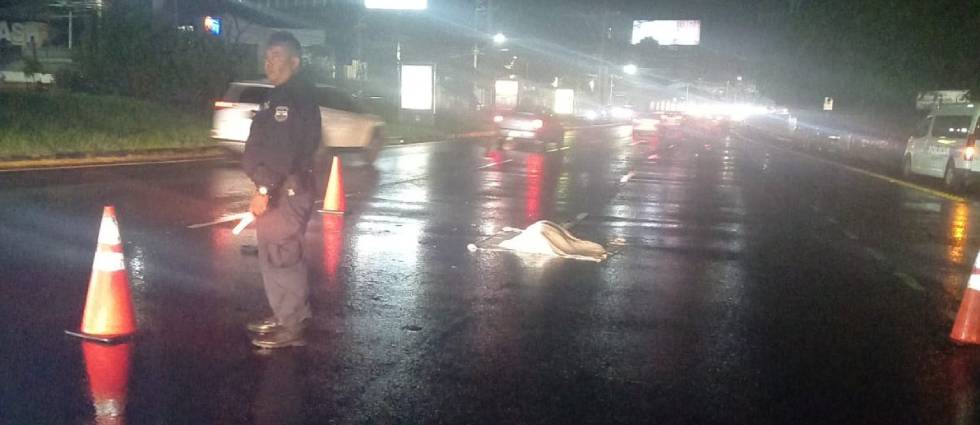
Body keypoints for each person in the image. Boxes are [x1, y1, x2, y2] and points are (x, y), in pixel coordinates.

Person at [243, 31, 321, 349]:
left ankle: (291, 326)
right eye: (267, 56)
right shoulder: (282, 95)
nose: (268, 62)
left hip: (284, 191)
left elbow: (282, 150)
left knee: (283, 255)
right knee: (274, 254)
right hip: (281, 188)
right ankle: (284, 313)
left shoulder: (289, 99)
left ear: (295, 61)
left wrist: (263, 189)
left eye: (276, 55)